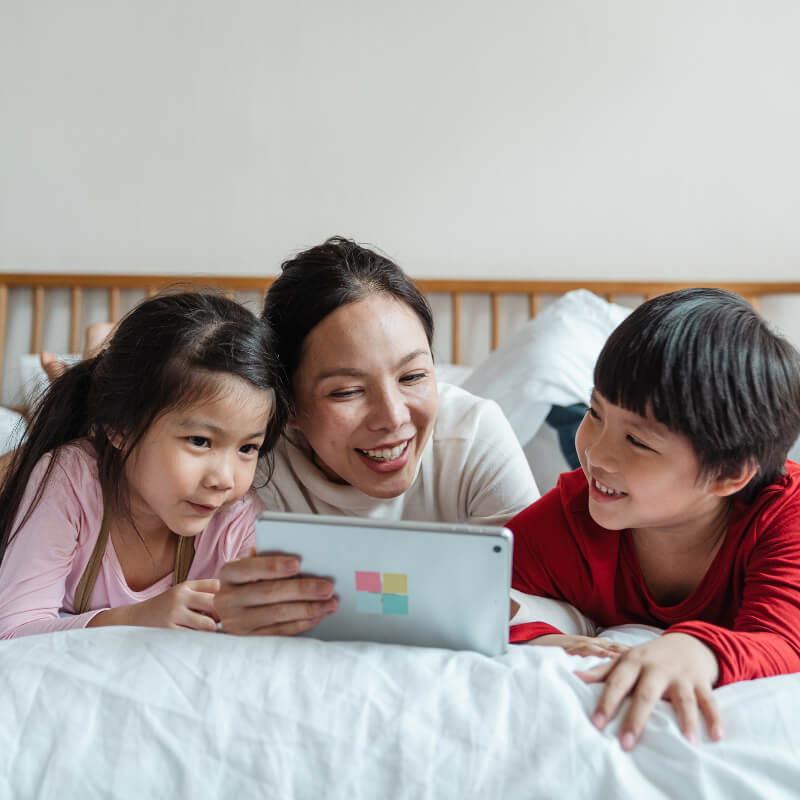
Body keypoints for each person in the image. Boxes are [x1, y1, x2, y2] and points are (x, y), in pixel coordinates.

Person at [508, 288, 800, 751]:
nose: (598, 454)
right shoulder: (572, 514)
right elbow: (471, 591)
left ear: (727, 473)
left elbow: (782, 641)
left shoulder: (785, 517)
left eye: (638, 441)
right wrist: (543, 640)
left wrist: (699, 648)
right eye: (595, 412)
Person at [214, 236, 540, 635]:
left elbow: (558, 604)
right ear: (291, 406)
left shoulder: (472, 434)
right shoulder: (255, 459)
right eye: (348, 391)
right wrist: (230, 610)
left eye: (413, 376)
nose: (393, 417)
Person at [0, 292, 287, 638]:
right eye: (199, 441)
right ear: (120, 427)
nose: (225, 480)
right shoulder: (70, 478)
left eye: (248, 448)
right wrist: (138, 616)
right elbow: (14, 630)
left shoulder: (236, 516)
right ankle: (88, 360)